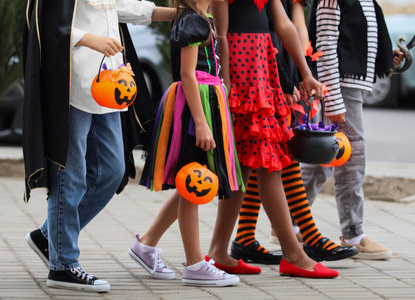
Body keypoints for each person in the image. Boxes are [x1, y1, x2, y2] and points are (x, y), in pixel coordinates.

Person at [23, 0, 175, 292]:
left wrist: (174, 14)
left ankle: (49, 237)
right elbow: (47, 21)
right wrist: (89, 39)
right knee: (71, 176)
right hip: (73, 82)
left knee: (112, 170)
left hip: (110, 82)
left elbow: (120, 6)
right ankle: (63, 265)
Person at [205, 0, 338, 278]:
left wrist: (306, 74)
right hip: (241, 72)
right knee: (268, 163)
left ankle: (218, 250)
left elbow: (284, 24)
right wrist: (227, 83)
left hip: (262, 66)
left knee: (244, 165)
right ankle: (293, 254)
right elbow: (220, 33)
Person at [230, 0, 358, 265]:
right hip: (255, 66)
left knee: (264, 157)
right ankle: (299, 244)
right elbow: (221, 31)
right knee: (267, 155)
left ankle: (246, 240)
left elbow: (290, 24)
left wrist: (302, 72)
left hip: (273, 62)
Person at [129, 0, 243, 286]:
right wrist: (202, 122)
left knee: (190, 182)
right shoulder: (195, 21)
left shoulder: (200, 18)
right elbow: (187, 74)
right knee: (194, 179)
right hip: (196, 107)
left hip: (205, 103)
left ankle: (146, 244)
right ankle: (195, 264)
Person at [301, 0, 404, 260]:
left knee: (321, 159)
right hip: (339, 89)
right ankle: (353, 233)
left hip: (349, 87)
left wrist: (386, 55)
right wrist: (333, 99)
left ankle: (291, 222)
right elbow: (325, 48)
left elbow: (355, 40)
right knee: (351, 156)